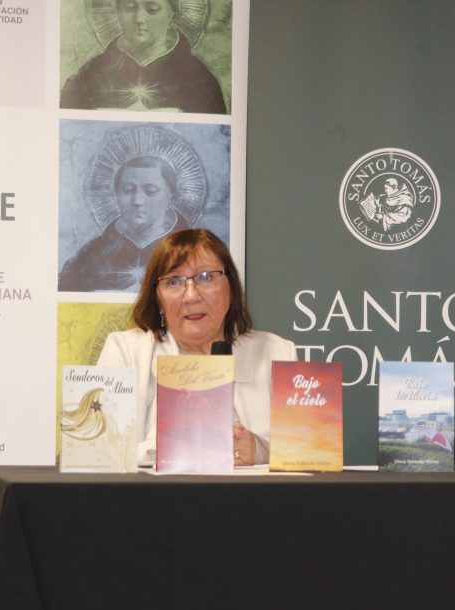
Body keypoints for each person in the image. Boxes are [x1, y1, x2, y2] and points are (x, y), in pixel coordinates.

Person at [97, 228, 296, 466]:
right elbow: (96, 452)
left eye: (206, 277)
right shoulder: (125, 352)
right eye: (174, 281)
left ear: (231, 289)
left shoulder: (277, 353)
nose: (191, 296)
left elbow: (307, 452)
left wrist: (260, 451)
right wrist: (177, 446)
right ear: (158, 300)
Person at [60, 0, 227, 114]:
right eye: (130, 7)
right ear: (118, 12)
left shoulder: (199, 81)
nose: (139, 19)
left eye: (152, 9)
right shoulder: (89, 76)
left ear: (173, 17)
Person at [59, 156, 189, 292]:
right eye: (128, 190)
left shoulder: (189, 251)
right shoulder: (92, 255)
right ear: (117, 195)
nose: (137, 201)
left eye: (150, 191)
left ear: (171, 197)